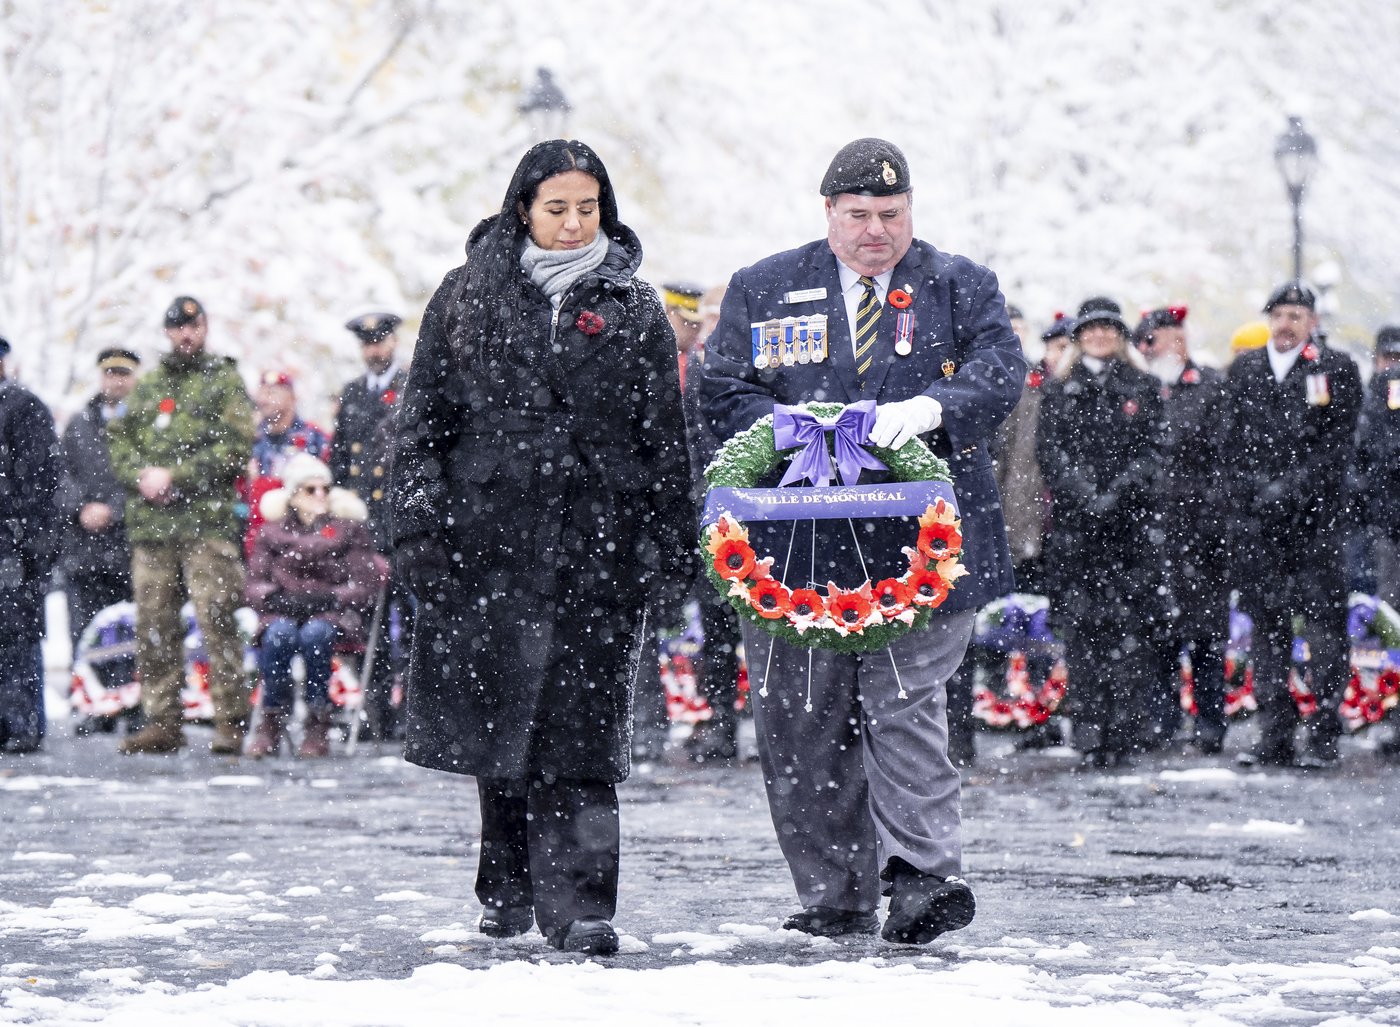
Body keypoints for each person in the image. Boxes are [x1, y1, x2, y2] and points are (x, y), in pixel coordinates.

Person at [701, 138, 1024, 943]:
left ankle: (922, 876)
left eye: (892, 212)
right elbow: (719, 389)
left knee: (904, 707)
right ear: (828, 214)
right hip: (794, 549)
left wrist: (930, 411)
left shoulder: (959, 284)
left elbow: (1002, 368)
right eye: (860, 215)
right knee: (801, 722)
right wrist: (787, 425)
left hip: (924, 547)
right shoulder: (766, 287)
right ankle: (835, 892)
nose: (878, 229)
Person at [389, 139, 695, 955]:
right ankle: (509, 883)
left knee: (581, 733)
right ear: (523, 205)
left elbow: (665, 435)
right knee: (503, 729)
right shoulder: (465, 296)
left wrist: (671, 542)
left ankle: (583, 903)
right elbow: (422, 423)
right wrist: (415, 525)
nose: (571, 223)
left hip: (599, 544)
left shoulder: (633, 308)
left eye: (586, 208)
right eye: (556, 207)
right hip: (487, 543)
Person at [108, 296, 257, 755]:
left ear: (205, 328)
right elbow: (118, 441)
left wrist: (177, 476)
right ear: (167, 332)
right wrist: (143, 476)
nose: (184, 335)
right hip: (153, 528)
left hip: (206, 526)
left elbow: (235, 445)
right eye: (176, 328)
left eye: (192, 327)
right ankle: (162, 722)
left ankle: (230, 720)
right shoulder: (150, 385)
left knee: (216, 620)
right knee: (154, 625)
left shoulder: (224, 380)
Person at [1224, 282, 1362, 769]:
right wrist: (1255, 491)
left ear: (1312, 322)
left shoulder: (1336, 368)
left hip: (1315, 524)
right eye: (1279, 315)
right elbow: (1228, 440)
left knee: (1324, 628)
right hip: (1259, 527)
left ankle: (1323, 731)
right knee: (1267, 628)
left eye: (1296, 315)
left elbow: (1337, 445)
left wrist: (1291, 489)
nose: (1285, 324)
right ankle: (1273, 733)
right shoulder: (1245, 369)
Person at [1037, 297, 1166, 769]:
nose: (1100, 336)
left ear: (1121, 335)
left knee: (1130, 633)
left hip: (1130, 531)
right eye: (1091, 329)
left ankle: (1128, 730)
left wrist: (1118, 494)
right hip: (1076, 533)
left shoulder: (1144, 387)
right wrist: (1084, 494)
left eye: (1109, 329)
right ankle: (1090, 730)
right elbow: (1049, 453)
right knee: (1083, 634)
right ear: (1078, 337)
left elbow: (1155, 450)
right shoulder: (1058, 389)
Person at [1132, 306, 1233, 754]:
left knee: (1208, 635)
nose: (1152, 349)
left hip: (1201, 531)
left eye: (1160, 338)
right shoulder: (1141, 390)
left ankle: (1211, 721)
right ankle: (1163, 720)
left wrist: (1214, 518)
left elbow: (1226, 456)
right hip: (1151, 530)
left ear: (1180, 337)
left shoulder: (1209, 386)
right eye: (1146, 341)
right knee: (1158, 634)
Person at [244, 453, 387, 758]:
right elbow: (254, 582)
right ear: (294, 495)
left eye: (325, 488)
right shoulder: (272, 531)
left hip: (332, 612)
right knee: (278, 636)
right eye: (311, 489)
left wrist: (331, 598)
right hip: (283, 610)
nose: (321, 495)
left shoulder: (348, 530)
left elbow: (364, 584)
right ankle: (272, 717)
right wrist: (277, 599)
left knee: (315, 636)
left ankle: (317, 719)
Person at [330, 311, 407, 739]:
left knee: (413, 628)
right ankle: (378, 714)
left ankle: (415, 714)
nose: (374, 350)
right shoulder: (353, 394)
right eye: (367, 343)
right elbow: (340, 462)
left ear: (393, 342)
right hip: (364, 532)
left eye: (380, 341)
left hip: (403, 524)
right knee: (365, 630)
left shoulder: (412, 386)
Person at [0, 335, 60, 754]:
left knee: (15, 634)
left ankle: (19, 725)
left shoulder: (23, 408)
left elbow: (42, 484)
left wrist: (28, 545)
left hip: (14, 544)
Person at [57, 348, 140, 652]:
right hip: (84, 556)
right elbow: (59, 476)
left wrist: (114, 511)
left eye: (123, 374)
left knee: (132, 641)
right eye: (110, 373)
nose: (116, 381)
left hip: (130, 552)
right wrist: (81, 508)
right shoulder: (78, 426)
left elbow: (146, 480)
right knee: (85, 640)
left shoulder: (146, 427)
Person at [244, 369, 331, 554]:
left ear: (291, 398)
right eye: (262, 392)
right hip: (257, 537)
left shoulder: (314, 437)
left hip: (303, 539)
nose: (264, 400)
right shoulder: (251, 438)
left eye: (273, 393)